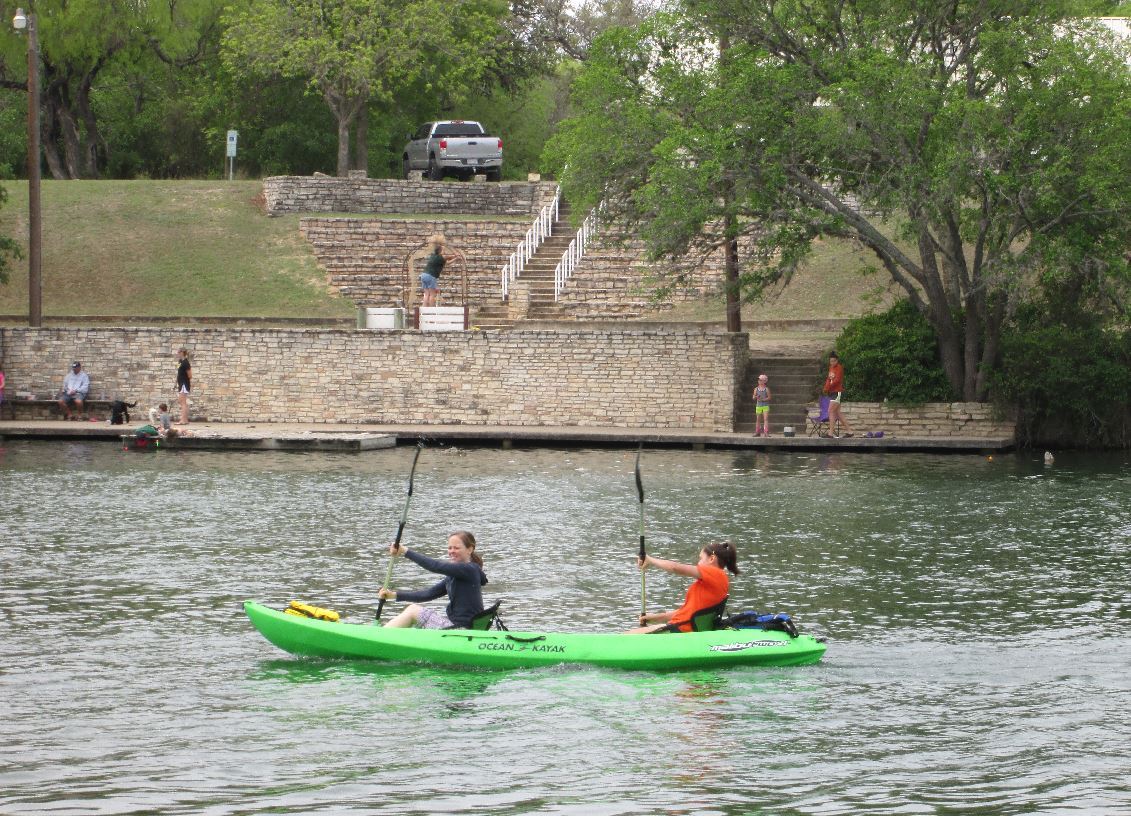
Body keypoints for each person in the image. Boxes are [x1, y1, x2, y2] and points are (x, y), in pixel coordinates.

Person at [377, 530, 487, 629]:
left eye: (456, 548)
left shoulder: (470, 569)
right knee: (414, 615)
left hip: (462, 632)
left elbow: (435, 566)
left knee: (413, 610)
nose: (452, 551)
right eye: (450, 548)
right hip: (456, 628)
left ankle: (379, 637)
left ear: (470, 549)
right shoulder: (456, 575)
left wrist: (405, 551)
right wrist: (394, 595)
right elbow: (428, 594)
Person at [628, 541, 740, 634]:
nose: (698, 562)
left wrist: (650, 560)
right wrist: (654, 618)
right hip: (681, 627)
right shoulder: (713, 582)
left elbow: (675, 568)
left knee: (626, 636)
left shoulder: (716, 574)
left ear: (711, 559)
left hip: (681, 630)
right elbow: (687, 612)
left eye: (701, 558)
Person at [822, 351, 854, 438]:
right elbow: (829, 379)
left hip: (837, 392)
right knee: (838, 413)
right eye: (830, 361)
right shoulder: (831, 368)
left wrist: (828, 387)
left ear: (837, 361)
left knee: (830, 411)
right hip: (831, 392)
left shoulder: (839, 368)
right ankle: (849, 431)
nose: (832, 363)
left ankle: (830, 433)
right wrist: (826, 387)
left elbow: (837, 380)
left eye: (833, 361)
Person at [419, 235, 447, 307]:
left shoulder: (433, 255)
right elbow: (449, 257)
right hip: (431, 276)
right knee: (432, 295)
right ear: (440, 251)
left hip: (423, 275)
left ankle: (423, 309)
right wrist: (456, 256)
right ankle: (431, 310)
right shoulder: (440, 257)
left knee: (426, 294)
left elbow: (447, 261)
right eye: (443, 250)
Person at [175, 348, 191, 425]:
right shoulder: (180, 362)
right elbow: (178, 373)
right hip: (180, 384)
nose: (177, 353)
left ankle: (183, 420)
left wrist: (183, 380)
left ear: (182, 353)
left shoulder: (186, 363)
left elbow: (190, 375)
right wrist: (176, 383)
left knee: (183, 402)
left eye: (178, 352)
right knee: (182, 402)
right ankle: (185, 420)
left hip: (184, 384)